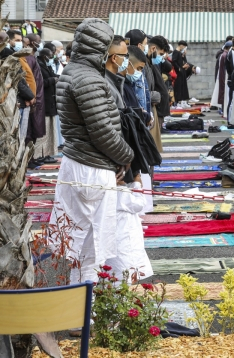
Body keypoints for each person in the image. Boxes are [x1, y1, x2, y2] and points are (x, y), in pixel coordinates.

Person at [52, 18, 134, 289]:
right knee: (92, 245)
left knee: (75, 242)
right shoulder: (88, 78)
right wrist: (126, 156)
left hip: (77, 161)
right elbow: (103, 132)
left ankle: (76, 308)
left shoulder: (72, 71)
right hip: (92, 168)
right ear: (99, 48)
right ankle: (86, 311)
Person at [104, 173, 154, 283]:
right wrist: (136, 184)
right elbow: (138, 205)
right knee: (123, 267)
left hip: (111, 229)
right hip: (123, 232)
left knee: (113, 266)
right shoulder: (119, 191)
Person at [36, 48, 60, 159]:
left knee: (50, 131)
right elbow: (40, 83)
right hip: (44, 101)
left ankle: (48, 153)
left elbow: (52, 75)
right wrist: (52, 80)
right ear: (45, 56)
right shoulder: (38, 65)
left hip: (50, 102)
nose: (52, 58)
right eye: (50, 56)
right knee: (44, 131)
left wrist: (57, 77)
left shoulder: (47, 65)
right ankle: (40, 155)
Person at [105, 35, 129, 109]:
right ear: (114, 58)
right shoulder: (106, 84)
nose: (127, 59)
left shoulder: (114, 80)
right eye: (126, 56)